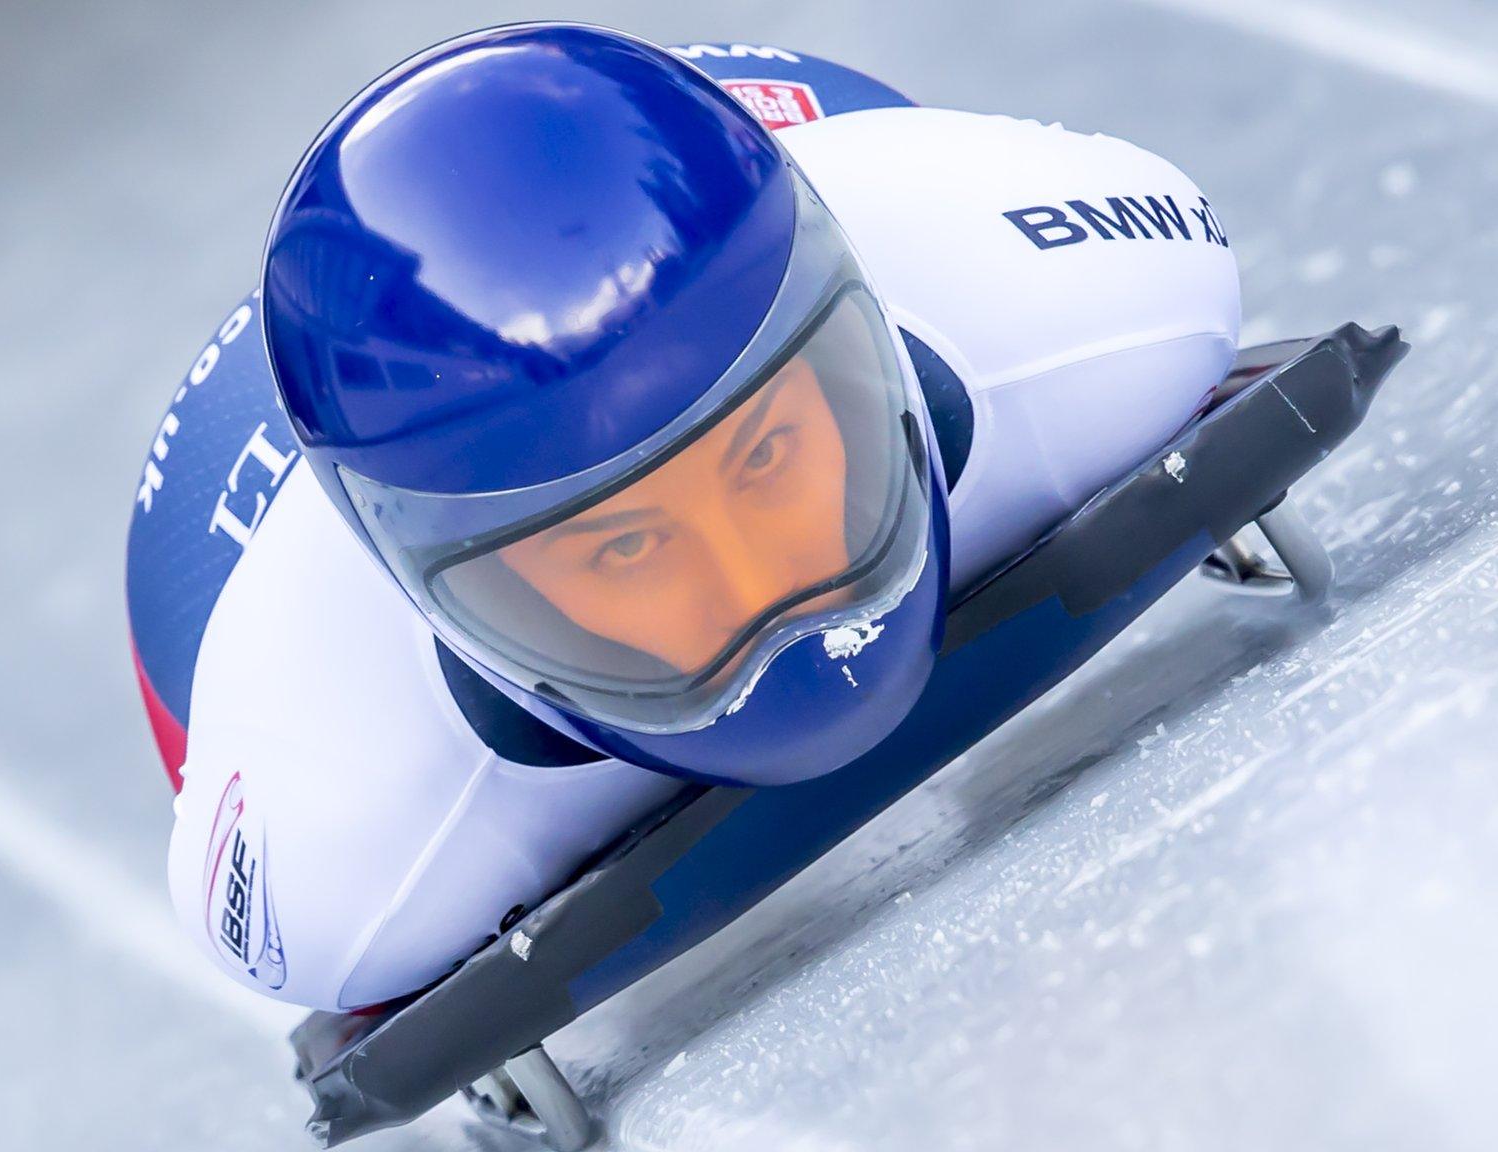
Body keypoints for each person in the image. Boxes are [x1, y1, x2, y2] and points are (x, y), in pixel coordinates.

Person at [125, 24, 1238, 1011]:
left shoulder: (1099, 303)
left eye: (765, 455)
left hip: (817, 126)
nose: (756, 582)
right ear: (444, 587)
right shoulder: (333, 861)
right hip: (222, 554)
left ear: (861, 344)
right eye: (624, 543)